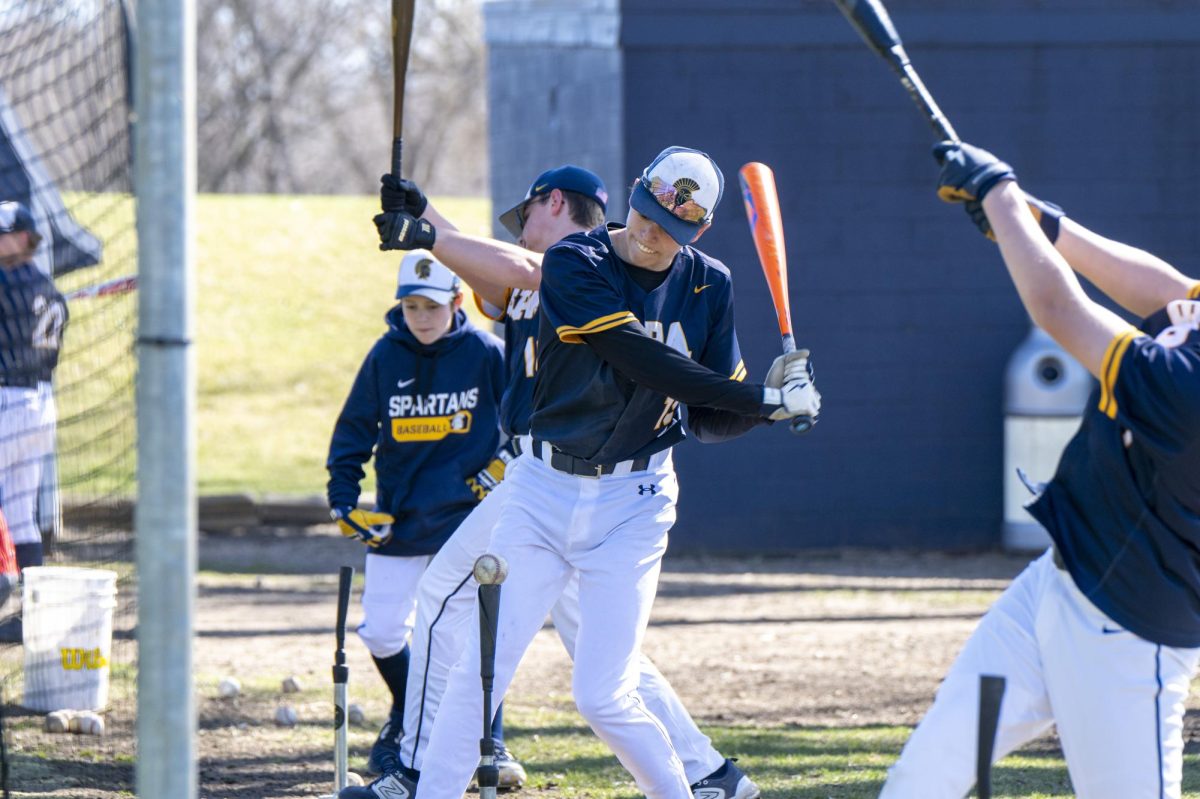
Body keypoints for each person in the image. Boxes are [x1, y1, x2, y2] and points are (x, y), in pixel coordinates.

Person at [351, 146, 821, 799]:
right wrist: (759, 401)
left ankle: (695, 784)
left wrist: (771, 401)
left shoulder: (710, 283)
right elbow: (635, 356)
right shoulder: (579, 260)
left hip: (635, 499)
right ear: (634, 195)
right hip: (542, 490)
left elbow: (709, 416)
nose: (653, 234)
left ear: (699, 231)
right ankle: (422, 783)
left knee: (605, 693)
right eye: (648, 214)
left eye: (672, 228)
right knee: (479, 670)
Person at [878, 140, 1200, 799]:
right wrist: (1035, 220)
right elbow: (1169, 290)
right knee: (921, 780)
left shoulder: (1185, 389)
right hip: (1053, 585)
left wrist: (999, 193)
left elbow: (1060, 312)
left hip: (1129, 633)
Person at [325, 250, 506, 776]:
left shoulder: (486, 353)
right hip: (400, 519)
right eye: (411, 308)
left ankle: (490, 742)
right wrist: (342, 500)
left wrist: (501, 467)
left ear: (455, 301)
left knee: (466, 638)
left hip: (466, 522)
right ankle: (409, 710)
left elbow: (524, 418)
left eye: (431, 306)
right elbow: (354, 432)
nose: (421, 318)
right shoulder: (385, 356)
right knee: (381, 632)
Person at [0, 200, 66, 640]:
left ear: (24, 237)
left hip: (7, 402)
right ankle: (33, 615)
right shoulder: (50, 288)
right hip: (40, 406)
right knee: (20, 511)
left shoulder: (6, 283)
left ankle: (10, 592)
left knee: (14, 509)